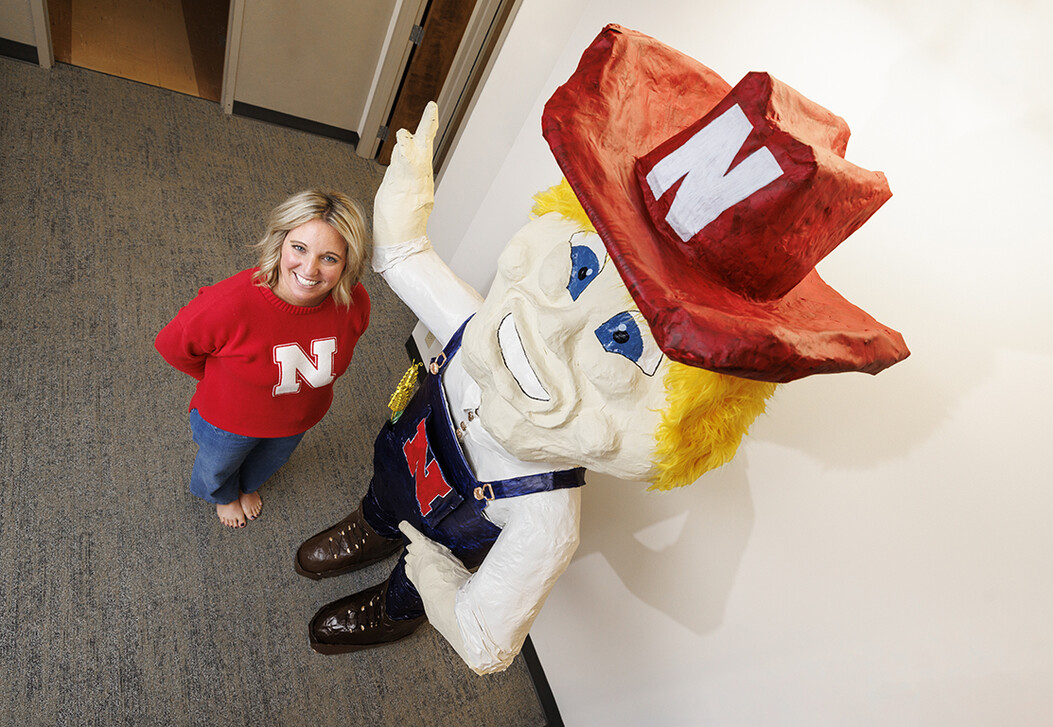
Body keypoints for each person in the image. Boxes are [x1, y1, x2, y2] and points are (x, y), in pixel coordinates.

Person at [295, 25, 909, 674]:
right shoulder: (480, 330)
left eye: (624, 339)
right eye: (580, 267)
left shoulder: (546, 518)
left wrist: (438, 578)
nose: (552, 332)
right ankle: (375, 522)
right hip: (400, 473)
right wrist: (404, 205)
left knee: (419, 576)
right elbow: (404, 255)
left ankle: (396, 604)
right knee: (386, 493)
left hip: (446, 542)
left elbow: (484, 638)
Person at [156, 190, 371, 529]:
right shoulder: (228, 303)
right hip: (227, 423)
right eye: (299, 248)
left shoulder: (355, 302)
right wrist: (215, 378)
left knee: (271, 460)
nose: (310, 269)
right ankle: (224, 496)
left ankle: (246, 486)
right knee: (217, 467)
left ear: (348, 263)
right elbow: (171, 345)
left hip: (296, 419)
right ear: (280, 242)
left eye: (329, 258)